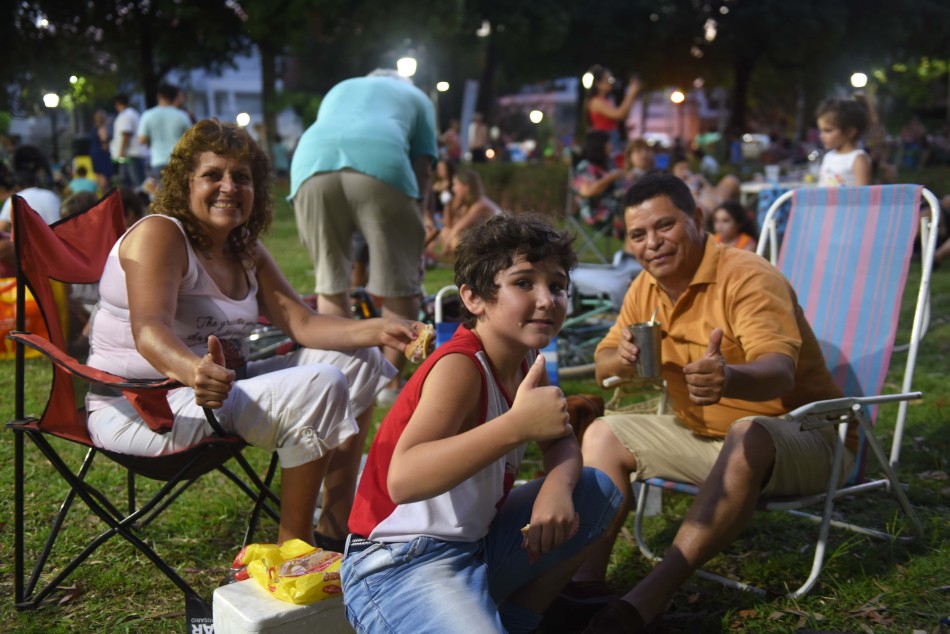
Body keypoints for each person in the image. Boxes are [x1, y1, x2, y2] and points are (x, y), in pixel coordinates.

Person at [85, 120, 422, 546]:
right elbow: (149, 330)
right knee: (323, 383)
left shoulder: (245, 249)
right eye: (213, 175)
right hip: (145, 408)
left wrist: (379, 328)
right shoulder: (160, 233)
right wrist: (195, 371)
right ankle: (295, 550)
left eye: (241, 177)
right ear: (185, 184)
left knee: (361, 361)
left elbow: (301, 323)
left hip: (220, 393)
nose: (229, 187)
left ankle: (337, 528)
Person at [566, 173, 853, 632]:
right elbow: (602, 363)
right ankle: (585, 587)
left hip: (810, 436)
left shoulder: (747, 276)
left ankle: (649, 598)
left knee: (749, 432)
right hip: (705, 436)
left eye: (665, 226)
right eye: (638, 234)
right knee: (603, 430)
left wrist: (729, 378)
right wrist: (614, 357)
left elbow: (780, 372)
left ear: (698, 219)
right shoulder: (645, 287)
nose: (652, 244)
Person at [341, 213, 623, 634]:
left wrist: (557, 489)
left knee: (594, 490)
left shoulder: (527, 360)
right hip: (396, 564)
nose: (547, 299)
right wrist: (517, 426)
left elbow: (562, 443)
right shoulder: (460, 367)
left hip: (475, 545)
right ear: (473, 299)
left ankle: (514, 622)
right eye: (524, 282)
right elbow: (404, 479)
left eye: (557, 285)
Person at [290, 69, 438, 406]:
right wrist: (420, 214)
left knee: (331, 282)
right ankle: (385, 384)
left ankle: (340, 376)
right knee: (399, 283)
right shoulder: (418, 98)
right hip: (382, 164)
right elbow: (423, 167)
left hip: (309, 165)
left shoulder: (341, 85)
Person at [437, 167, 501, 259]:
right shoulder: (467, 204)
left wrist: (444, 250)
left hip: (496, 243)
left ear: (466, 187)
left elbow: (457, 228)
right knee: (446, 232)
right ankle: (457, 257)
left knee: (453, 238)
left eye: (456, 184)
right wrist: (448, 204)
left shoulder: (481, 205)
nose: (453, 189)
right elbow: (448, 224)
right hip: (483, 241)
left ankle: (456, 257)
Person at [573, 131, 626, 238]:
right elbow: (587, 191)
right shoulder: (585, 166)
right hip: (598, 215)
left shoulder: (605, 165)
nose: (611, 146)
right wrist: (611, 177)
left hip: (614, 210)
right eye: (609, 143)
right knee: (635, 218)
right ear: (599, 146)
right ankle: (629, 253)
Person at [137, 82, 193, 183]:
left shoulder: (148, 115)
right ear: (174, 97)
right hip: (178, 160)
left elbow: (141, 140)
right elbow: (191, 138)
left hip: (158, 160)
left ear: (159, 96)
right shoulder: (182, 116)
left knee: (162, 194)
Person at [816, 96, 872, 187]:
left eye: (828, 130)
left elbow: (863, 196)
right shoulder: (828, 156)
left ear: (850, 132)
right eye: (821, 130)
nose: (822, 136)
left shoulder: (858, 159)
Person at [584, 65, 640, 153]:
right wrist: (631, 94)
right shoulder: (596, 101)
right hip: (603, 139)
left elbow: (623, 115)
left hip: (611, 136)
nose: (611, 82)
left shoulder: (607, 100)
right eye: (608, 79)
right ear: (598, 84)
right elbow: (619, 114)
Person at [670, 156, 740, 221]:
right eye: (681, 169)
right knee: (699, 210)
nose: (685, 172)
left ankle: (738, 216)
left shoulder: (696, 178)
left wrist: (703, 181)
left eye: (687, 168)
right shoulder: (674, 185)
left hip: (715, 198)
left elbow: (712, 190)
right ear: (673, 171)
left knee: (731, 179)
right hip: (703, 207)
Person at [110, 94, 148, 189]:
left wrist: (121, 152)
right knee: (134, 182)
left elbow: (126, 134)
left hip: (131, 154)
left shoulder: (126, 115)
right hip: (132, 154)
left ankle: (143, 202)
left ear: (118, 104)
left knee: (137, 183)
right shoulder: (131, 113)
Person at [89, 109, 114, 192]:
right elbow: (104, 139)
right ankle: (105, 194)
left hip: (94, 153)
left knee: (98, 175)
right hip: (101, 154)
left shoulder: (94, 128)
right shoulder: (102, 128)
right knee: (104, 176)